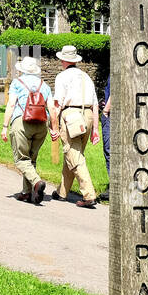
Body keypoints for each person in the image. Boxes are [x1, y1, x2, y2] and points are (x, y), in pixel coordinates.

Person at [50, 44, 100, 209]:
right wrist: (95, 129)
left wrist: (54, 126)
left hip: (71, 115)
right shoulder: (86, 77)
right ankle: (62, 192)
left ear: (63, 60)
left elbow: (57, 104)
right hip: (87, 116)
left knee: (74, 155)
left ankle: (89, 194)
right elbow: (95, 104)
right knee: (73, 154)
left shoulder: (62, 77)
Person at [1, 55, 53, 204]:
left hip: (22, 122)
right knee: (32, 159)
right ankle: (27, 192)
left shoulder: (17, 83)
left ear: (22, 70)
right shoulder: (45, 85)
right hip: (42, 124)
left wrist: (5, 126)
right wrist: (53, 128)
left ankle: (37, 182)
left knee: (21, 159)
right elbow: (52, 108)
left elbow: (11, 105)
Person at [99, 76, 111, 202]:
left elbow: (115, 90)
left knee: (110, 151)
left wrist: (106, 110)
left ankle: (115, 188)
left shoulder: (117, 69)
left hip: (111, 115)